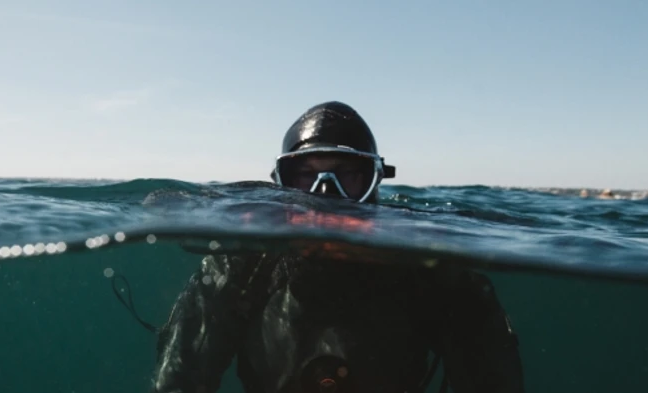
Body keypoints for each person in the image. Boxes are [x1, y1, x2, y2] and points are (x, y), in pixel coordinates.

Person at [149, 101, 524, 393]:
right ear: (279, 185)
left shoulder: (428, 271)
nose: (325, 199)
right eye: (304, 178)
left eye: (348, 176)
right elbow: (178, 381)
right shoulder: (242, 267)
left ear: (375, 184)